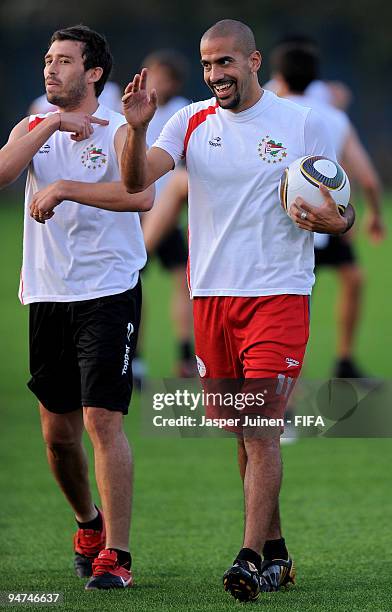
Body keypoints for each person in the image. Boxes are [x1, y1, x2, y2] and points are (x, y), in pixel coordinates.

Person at [120, 19, 355, 602]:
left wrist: (337, 221)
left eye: (225, 62)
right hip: (212, 299)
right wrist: (136, 128)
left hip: (278, 293)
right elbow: (134, 183)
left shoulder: (302, 123)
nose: (214, 75)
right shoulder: (188, 120)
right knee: (242, 435)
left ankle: (248, 558)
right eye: (206, 64)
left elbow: (339, 206)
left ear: (253, 62)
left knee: (261, 430)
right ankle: (275, 551)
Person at [0, 25, 154, 590]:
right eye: (47, 59)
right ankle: (87, 523)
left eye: (63, 60)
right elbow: (2, 172)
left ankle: (117, 554)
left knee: (101, 420)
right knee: (57, 436)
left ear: (93, 73)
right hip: (47, 294)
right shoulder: (35, 126)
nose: (50, 68)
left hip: (108, 291)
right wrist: (49, 126)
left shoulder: (119, 127)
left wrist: (65, 186)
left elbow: (141, 195)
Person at [269, 42, 385, 378]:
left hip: (281, 222)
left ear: (278, 76)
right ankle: (344, 359)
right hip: (326, 218)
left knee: (291, 310)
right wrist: (375, 215)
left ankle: (287, 398)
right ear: (317, 79)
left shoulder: (267, 110)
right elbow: (368, 178)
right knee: (352, 280)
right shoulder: (333, 117)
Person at [133, 49, 195, 384]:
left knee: (182, 283)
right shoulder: (134, 109)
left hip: (169, 215)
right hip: (137, 215)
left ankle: (185, 356)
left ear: (174, 82)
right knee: (132, 286)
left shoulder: (184, 111)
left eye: (163, 77)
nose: (156, 82)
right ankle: (135, 361)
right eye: (152, 75)